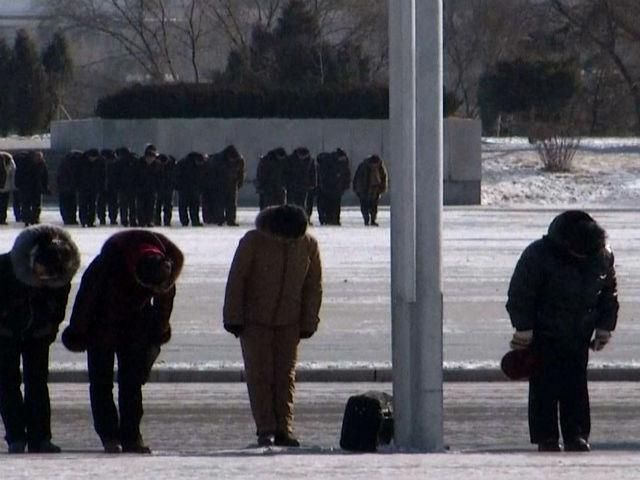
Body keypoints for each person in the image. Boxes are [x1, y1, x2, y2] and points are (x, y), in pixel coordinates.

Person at [62, 230, 184, 454]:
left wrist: (159, 329)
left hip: (136, 327)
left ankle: (131, 437)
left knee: (131, 383)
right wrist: (79, 330)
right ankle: (109, 435)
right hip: (101, 324)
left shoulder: (165, 270)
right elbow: (86, 299)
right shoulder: (107, 263)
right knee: (101, 383)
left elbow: (164, 304)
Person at [506, 210, 618, 453]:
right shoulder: (538, 255)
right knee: (544, 387)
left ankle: (576, 435)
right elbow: (520, 294)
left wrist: (604, 328)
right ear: (567, 244)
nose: (583, 258)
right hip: (544, 333)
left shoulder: (601, 255)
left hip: (580, 334)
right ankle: (546, 437)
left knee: (576, 386)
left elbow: (608, 294)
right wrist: (523, 329)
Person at [223, 204, 322, 447]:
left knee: (285, 376)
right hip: (254, 321)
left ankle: (284, 429)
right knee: (260, 375)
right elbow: (237, 279)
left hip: (290, 321)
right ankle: (265, 428)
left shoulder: (308, 244)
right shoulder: (253, 241)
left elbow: (313, 286)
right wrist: (233, 317)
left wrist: (309, 320)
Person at [0, 225, 80, 453]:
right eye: (41, 272)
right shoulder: (5, 267)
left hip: (38, 334)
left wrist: (49, 328)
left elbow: (58, 308)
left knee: (37, 385)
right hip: (5, 333)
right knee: (8, 384)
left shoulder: (61, 273)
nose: (43, 279)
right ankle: (16, 436)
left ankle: (40, 437)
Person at [352, 154, 388, 226]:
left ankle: (371, 220)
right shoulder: (364, 166)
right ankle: (368, 219)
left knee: (372, 206)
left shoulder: (379, 167)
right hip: (365, 189)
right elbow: (358, 178)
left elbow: (384, 178)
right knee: (367, 206)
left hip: (373, 190)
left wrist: (382, 188)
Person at [0, 151, 16, 225]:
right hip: (6, 187)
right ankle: (2, 219)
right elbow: (13, 174)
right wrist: (13, 186)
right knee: (4, 204)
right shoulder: (10, 161)